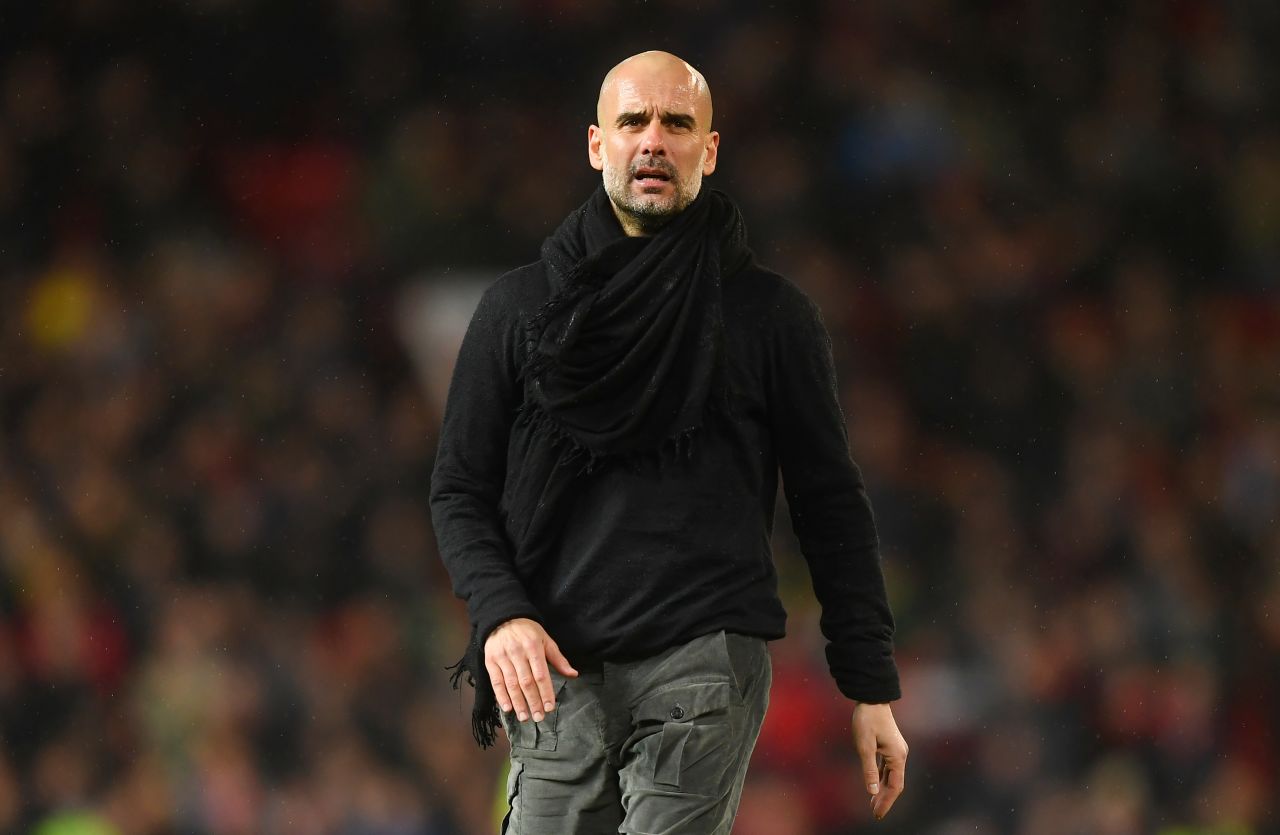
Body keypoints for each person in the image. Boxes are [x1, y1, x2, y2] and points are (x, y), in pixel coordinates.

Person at [430, 50, 908, 833]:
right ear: (597, 144)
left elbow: (829, 504)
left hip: (705, 664)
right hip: (556, 665)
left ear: (709, 150)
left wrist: (869, 685)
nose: (653, 140)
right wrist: (502, 613)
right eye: (633, 122)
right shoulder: (519, 310)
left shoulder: (770, 316)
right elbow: (459, 488)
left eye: (677, 123)